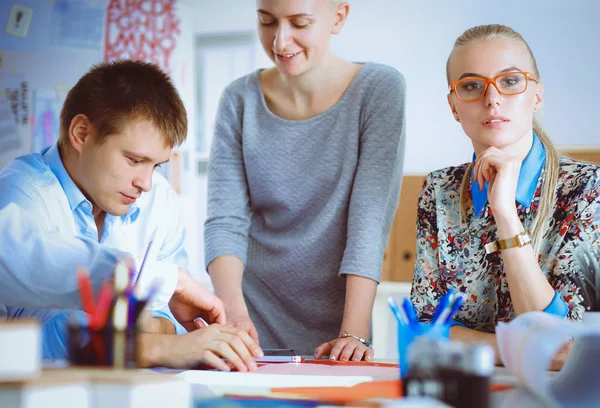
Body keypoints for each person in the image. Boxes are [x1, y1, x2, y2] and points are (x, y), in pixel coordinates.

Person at [0, 60, 261, 371]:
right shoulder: (20, 198)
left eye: (156, 165)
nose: (146, 183)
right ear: (82, 133)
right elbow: (32, 336)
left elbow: (169, 319)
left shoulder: (158, 199)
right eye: (134, 160)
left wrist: (156, 328)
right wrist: (159, 346)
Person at [205, 0, 406, 361]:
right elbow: (225, 221)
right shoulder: (239, 99)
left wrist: (354, 333)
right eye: (267, 22)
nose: (281, 42)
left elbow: (368, 222)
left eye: (299, 23)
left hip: (342, 327)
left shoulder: (379, 89)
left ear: (338, 17)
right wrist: (233, 315)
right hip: (249, 322)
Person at [410, 24, 600, 368]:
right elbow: (423, 329)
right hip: (464, 391)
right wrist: (520, 349)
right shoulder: (439, 190)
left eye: (510, 81)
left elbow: (569, 343)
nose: (492, 98)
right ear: (454, 107)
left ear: (537, 95)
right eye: (471, 86)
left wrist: (505, 214)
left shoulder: (588, 189)